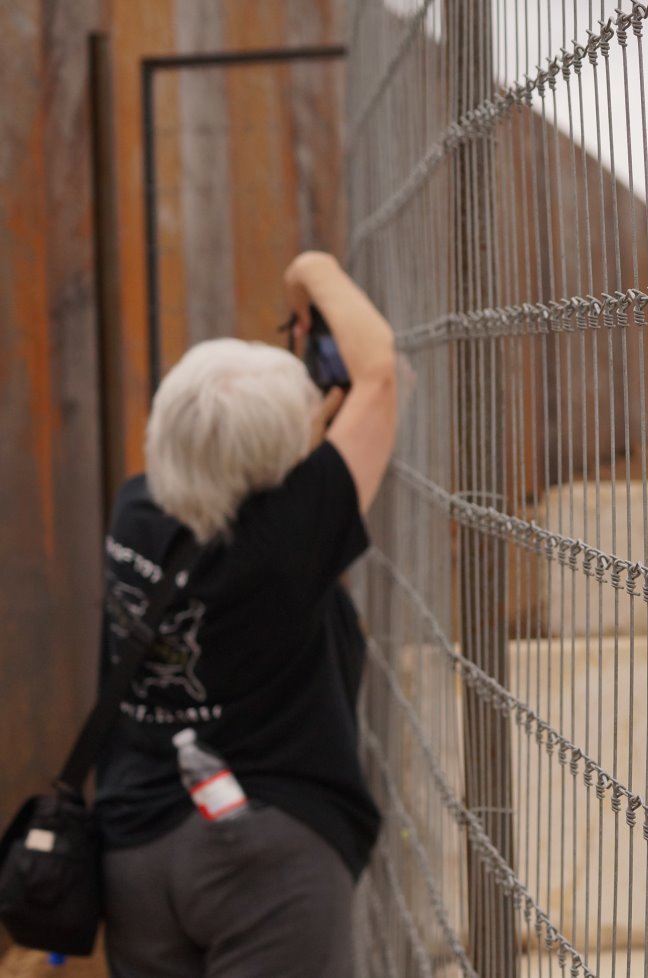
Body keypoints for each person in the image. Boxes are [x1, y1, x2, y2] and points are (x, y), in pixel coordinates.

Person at [95, 252, 397, 978]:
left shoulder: (135, 511)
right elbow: (380, 374)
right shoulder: (288, 543)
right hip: (269, 856)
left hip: (136, 849)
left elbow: (251, 466)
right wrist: (311, 268)